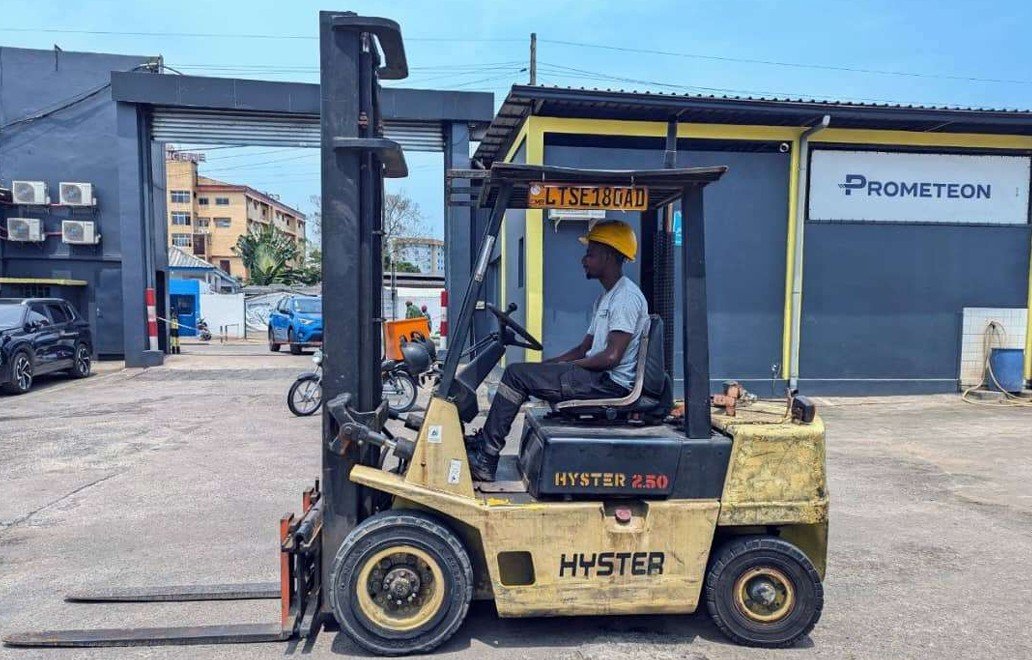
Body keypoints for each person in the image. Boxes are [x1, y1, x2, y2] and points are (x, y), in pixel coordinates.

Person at [467, 220, 648, 481]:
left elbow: (611, 357)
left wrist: (568, 367)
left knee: (515, 374)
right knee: (522, 373)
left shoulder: (626, 298)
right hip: (597, 378)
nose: (584, 261)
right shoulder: (607, 298)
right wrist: (549, 364)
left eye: (590, 254)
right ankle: (485, 443)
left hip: (608, 384)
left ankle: (486, 457)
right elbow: (584, 348)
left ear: (608, 256)